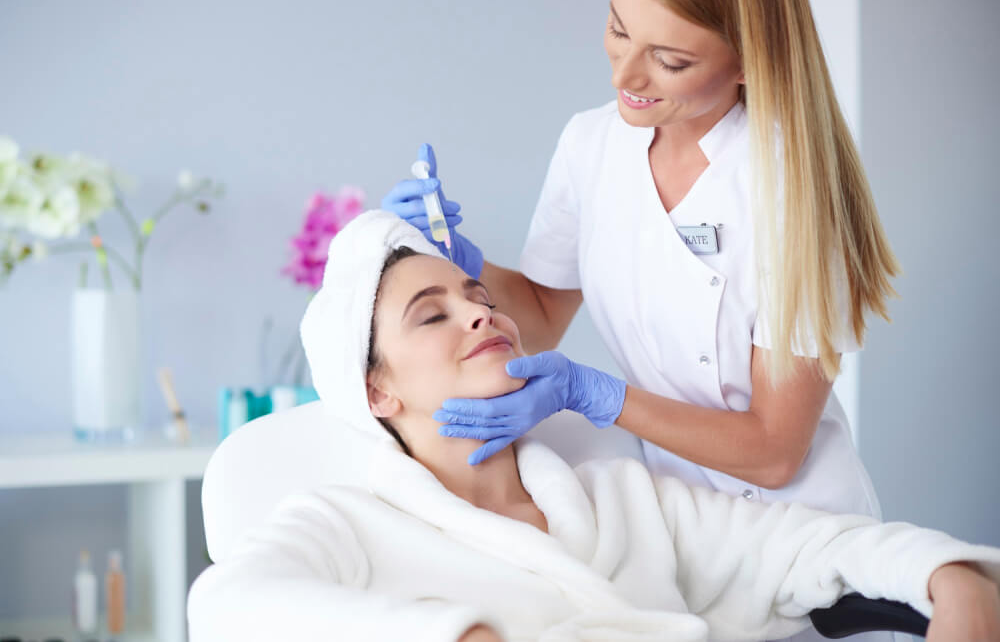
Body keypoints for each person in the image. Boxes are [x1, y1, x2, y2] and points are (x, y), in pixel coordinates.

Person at [186, 211, 1000, 642]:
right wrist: (451, 633)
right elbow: (226, 605)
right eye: (432, 314)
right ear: (377, 391)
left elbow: (801, 546)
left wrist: (950, 577)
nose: (477, 311)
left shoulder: (618, 495)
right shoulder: (349, 524)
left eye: (478, 295)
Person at [382, 0, 897, 637]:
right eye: (619, 30)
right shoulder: (591, 145)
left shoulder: (792, 187)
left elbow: (775, 452)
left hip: (803, 546)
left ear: (749, 61)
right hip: (675, 538)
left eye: (670, 61)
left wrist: (595, 394)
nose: (625, 74)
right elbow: (539, 310)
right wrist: (462, 260)